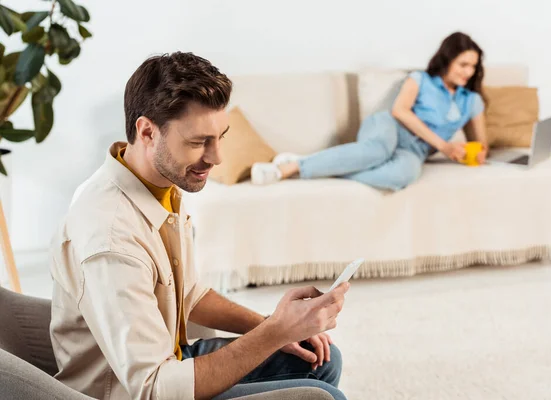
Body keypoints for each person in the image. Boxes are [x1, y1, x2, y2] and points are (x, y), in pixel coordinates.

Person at [49, 52, 349, 400]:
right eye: (197, 142)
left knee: (320, 361)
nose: (216, 157)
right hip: (135, 392)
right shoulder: (110, 235)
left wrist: (277, 326)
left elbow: (188, 293)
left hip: (169, 363)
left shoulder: (158, 184)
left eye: (220, 136)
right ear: (147, 132)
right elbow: (154, 389)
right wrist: (275, 332)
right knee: (323, 397)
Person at [251, 32, 489, 191]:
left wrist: (476, 154)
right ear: (447, 60)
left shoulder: (472, 101)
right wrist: (444, 146)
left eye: (473, 66)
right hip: (390, 127)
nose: (468, 72)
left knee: (400, 178)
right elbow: (400, 111)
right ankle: (288, 168)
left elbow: (481, 145)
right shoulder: (420, 80)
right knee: (377, 151)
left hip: (415, 150)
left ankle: (317, 164)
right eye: (463, 64)